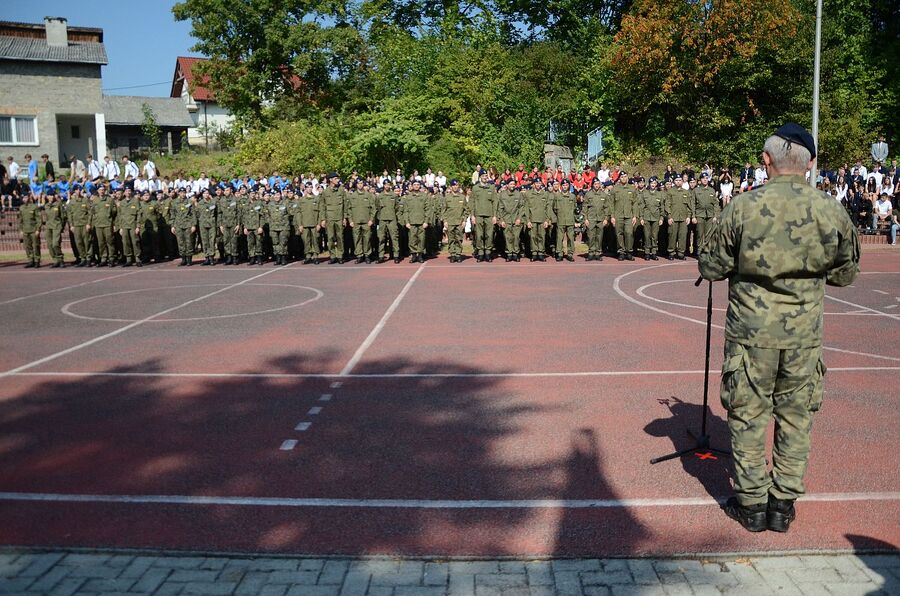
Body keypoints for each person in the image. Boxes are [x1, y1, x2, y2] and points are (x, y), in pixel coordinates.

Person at [699, 123, 860, 533]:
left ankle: (752, 504)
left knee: (748, 415)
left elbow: (711, 266)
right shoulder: (830, 209)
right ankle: (782, 504)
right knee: (795, 417)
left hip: (751, 335)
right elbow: (845, 275)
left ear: (766, 161)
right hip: (803, 336)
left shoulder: (742, 207)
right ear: (811, 163)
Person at [470, 172, 497, 262]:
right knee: (479, 235)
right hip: (478, 215)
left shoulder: (491, 187)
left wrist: (494, 215)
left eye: (486, 176)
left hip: (489, 215)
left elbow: (495, 202)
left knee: (489, 235)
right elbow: (472, 202)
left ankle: (488, 252)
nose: (485, 177)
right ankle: (481, 252)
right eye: (483, 176)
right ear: (480, 177)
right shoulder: (475, 188)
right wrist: (472, 215)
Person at [442, 180, 468, 263]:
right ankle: (453, 254)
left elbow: (466, 210)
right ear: (451, 187)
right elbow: (443, 210)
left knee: (459, 239)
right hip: (450, 222)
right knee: (451, 239)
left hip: (459, 221)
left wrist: (464, 220)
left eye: (456, 185)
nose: (455, 187)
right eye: (453, 185)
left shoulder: (462, 197)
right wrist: (445, 221)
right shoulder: (447, 197)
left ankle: (458, 254)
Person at [18, 193, 43, 268]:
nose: (25, 199)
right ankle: (30, 260)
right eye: (23, 198)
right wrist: (21, 230)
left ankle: (37, 261)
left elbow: (39, 219)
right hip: (25, 230)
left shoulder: (34, 207)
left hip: (33, 230)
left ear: (29, 198)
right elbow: (20, 220)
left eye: (26, 197)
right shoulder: (21, 208)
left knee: (36, 246)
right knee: (27, 246)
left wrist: (38, 229)